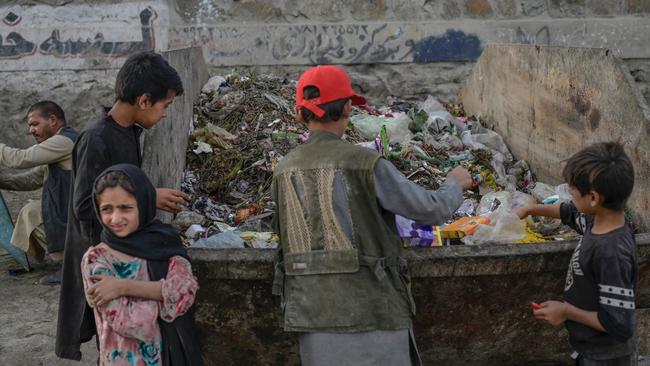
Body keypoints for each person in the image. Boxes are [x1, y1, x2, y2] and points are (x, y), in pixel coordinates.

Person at [271, 65, 472, 366]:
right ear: (348, 109)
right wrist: (454, 184)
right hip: (372, 311)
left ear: (300, 115)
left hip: (311, 313)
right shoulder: (364, 163)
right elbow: (430, 210)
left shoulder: (283, 170)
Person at [56, 51, 190, 361]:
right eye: (164, 106)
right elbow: (83, 207)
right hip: (101, 253)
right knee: (116, 336)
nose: (165, 114)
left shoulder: (129, 132)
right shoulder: (96, 138)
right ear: (145, 100)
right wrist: (148, 196)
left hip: (122, 249)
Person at [517, 142, 638, 366]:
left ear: (593, 198)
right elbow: (568, 212)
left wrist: (566, 311)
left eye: (572, 190)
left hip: (606, 357)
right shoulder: (597, 219)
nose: (569, 194)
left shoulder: (612, 253)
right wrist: (530, 209)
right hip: (588, 348)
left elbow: (619, 324)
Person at [82, 164, 203, 366]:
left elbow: (187, 293)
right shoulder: (97, 259)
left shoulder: (163, 241)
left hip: (170, 356)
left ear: (144, 204)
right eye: (107, 209)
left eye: (126, 208)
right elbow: (133, 323)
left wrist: (123, 286)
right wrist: (165, 293)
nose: (115, 218)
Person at [0, 101, 78, 284]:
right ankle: (33, 259)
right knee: (31, 210)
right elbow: (30, 179)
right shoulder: (57, 146)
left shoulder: (64, 141)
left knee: (34, 213)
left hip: (74, 214)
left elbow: (22, 158)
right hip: (68, 207)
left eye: (35, 124)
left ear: (52, 120)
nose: (31, 131)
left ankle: (71, 264)